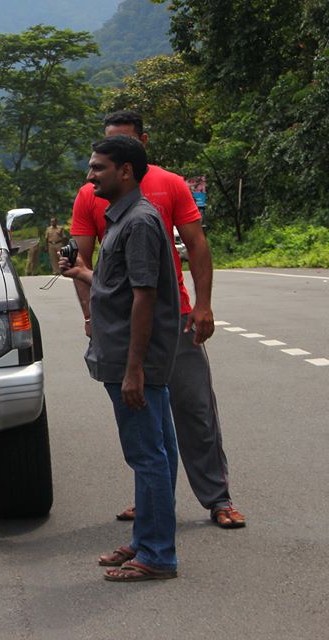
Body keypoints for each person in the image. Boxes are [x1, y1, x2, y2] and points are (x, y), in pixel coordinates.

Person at [70, 111, 246, 529]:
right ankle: (153, 500)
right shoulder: (91, 193)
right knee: (146, 420)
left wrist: (203, 305)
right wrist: (91, 315)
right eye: (109, 141)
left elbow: (196, 245)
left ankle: (217, 498)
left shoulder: (169, 186)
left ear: (139, 148)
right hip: (123, 324)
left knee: (195, 409)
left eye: (124, 142)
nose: (99, 168)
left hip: (173, 318)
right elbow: (81, 260)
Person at [62, 135, 180, 581]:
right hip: (126, 358)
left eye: (99, 167)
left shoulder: (140, 222)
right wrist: (82, 273)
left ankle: (157, 555)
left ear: (125, 171)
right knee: (152, 453)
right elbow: (120, 287)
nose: (90, 175)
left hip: (134, 361)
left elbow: (144, 297)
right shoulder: (122, 218)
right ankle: (146, 539)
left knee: (147, 455)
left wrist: (134, 369)